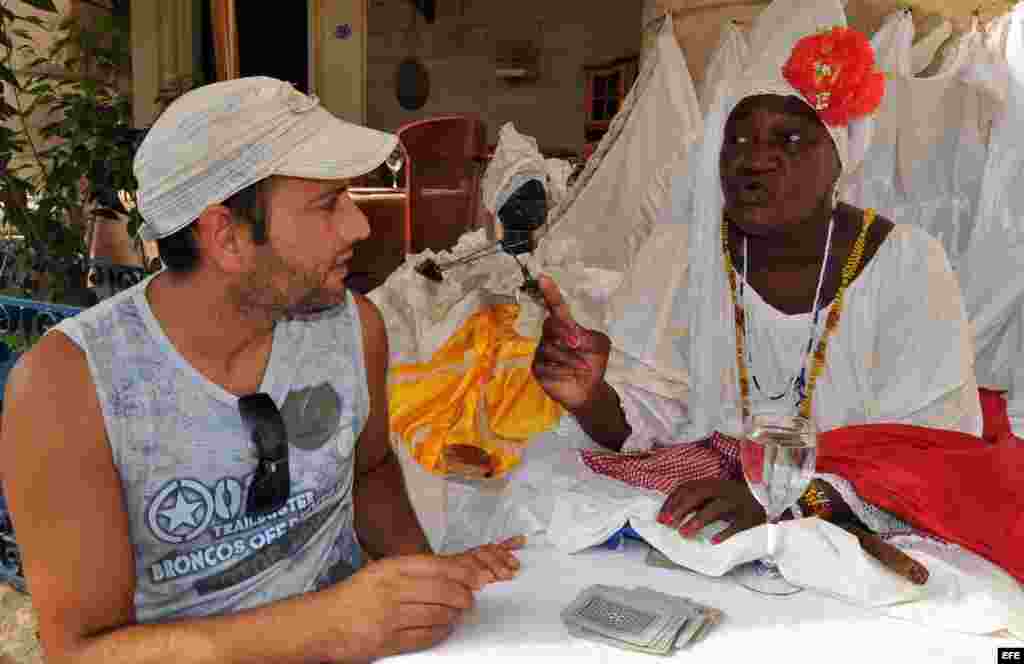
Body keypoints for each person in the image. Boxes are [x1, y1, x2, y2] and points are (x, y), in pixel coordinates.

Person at [1, 76, 524, 663]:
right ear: (226, 235)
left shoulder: (354, 328)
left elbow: (369, 469)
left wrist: (419, 580)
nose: (360, 226)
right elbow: (80, 655)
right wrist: (331, 625)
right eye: (329, 205)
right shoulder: (69, 389)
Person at [532, 5, 983, 548]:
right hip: (718, 495)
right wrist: (589, 396)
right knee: (546, 506)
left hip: (860, 518)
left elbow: (932, 454)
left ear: (839, 159)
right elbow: (652, 425)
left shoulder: (909, 266)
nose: (755, 160)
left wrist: (785, 500)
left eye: (789, 141)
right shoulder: (682, 258)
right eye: (738, 140)